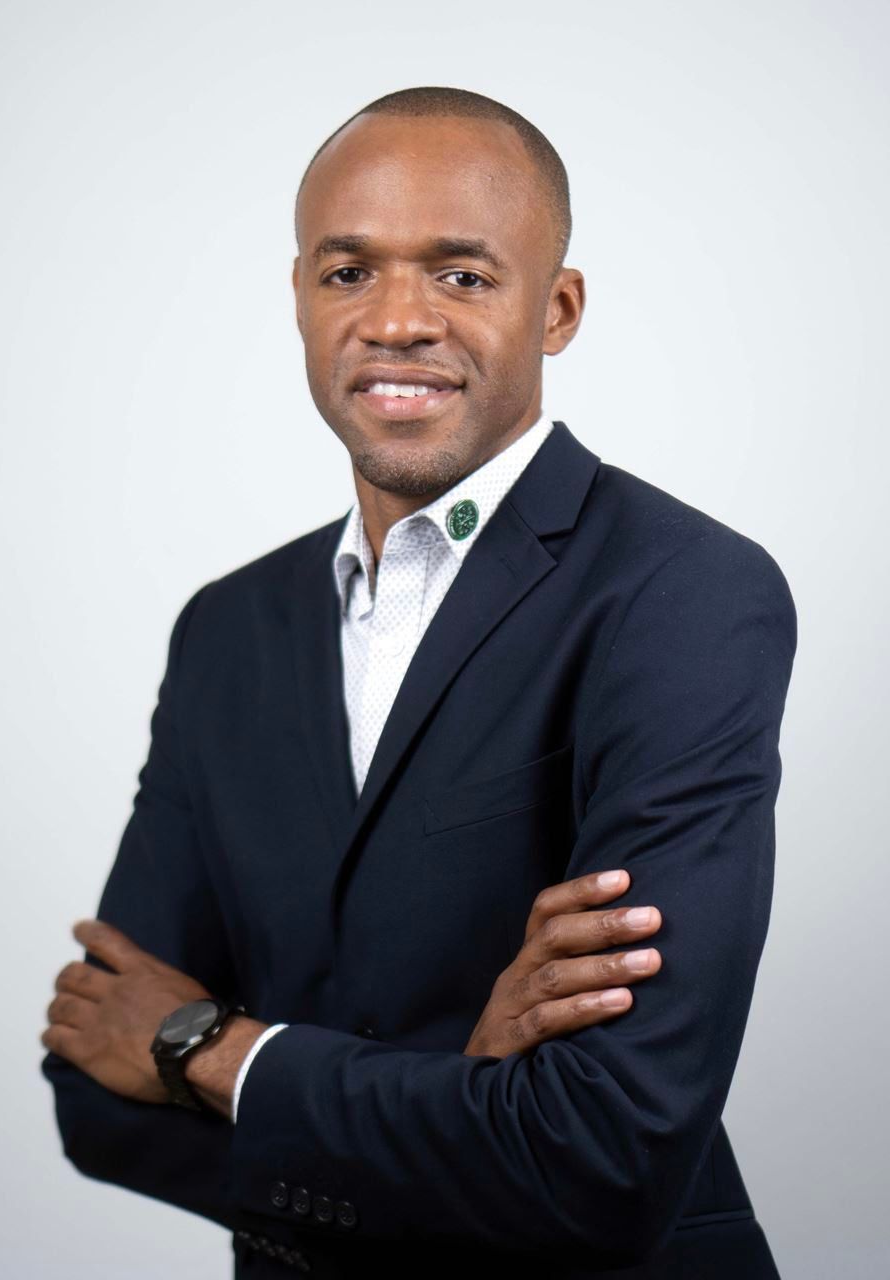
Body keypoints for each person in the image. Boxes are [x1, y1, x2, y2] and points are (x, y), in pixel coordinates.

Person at [41, 86, 796, 1279]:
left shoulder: (683, 591)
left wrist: (212, 1049)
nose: (396, 320)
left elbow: (605, 1152)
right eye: (348, 272)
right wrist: (460, 1103)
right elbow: (95, 1095)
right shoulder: (225, 630)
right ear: (299, 295)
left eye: (462, 274)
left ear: (557, 309)